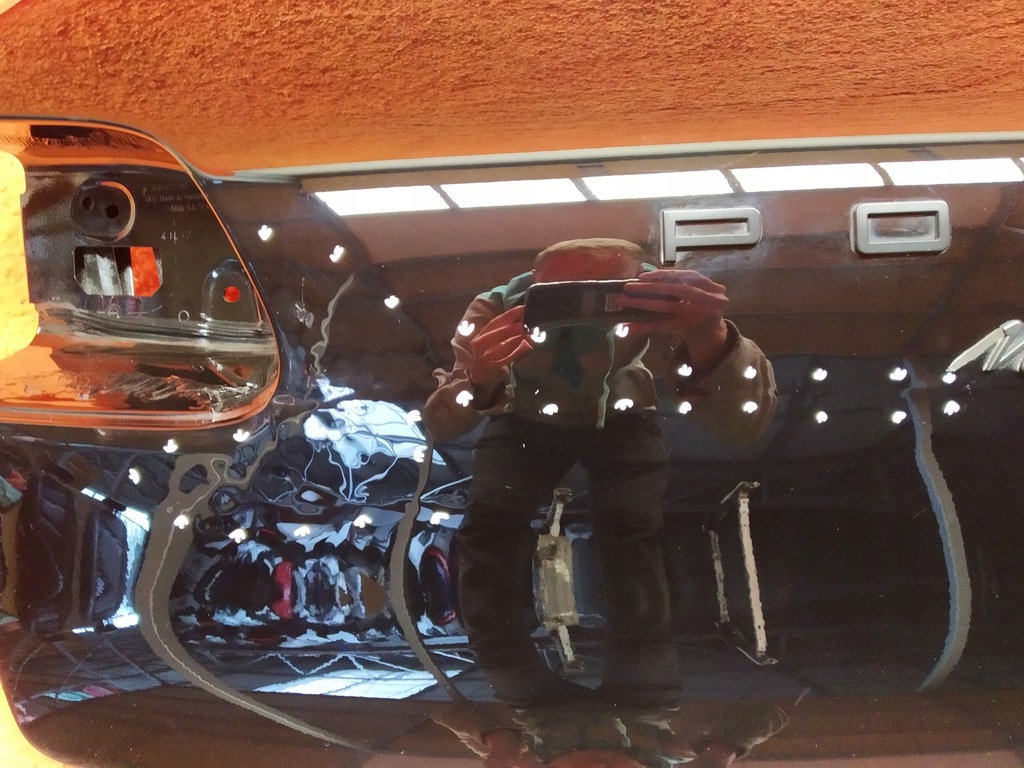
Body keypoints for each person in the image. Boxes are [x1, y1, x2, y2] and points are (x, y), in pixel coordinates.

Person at [423, 238, 775, 706]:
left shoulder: (664, 300)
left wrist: (707, 332)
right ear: (534, 284)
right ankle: (530, 657)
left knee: (628, 520)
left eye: (606, 292)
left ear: (639, 279)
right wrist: (480, 380)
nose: (585, 306)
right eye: (562, 294)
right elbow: (441, 422)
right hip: (530, 413)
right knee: (497, 518)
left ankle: (530, 662)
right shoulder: (498, 307)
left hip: (612, 413)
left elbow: (741, 422)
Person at [433, 698, 790, 767]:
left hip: (539, 696)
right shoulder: (669, 750)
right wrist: (719, 751)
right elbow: (771, 713)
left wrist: (497, 741)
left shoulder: (523, 755)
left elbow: (442, 710)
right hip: (641, 692)